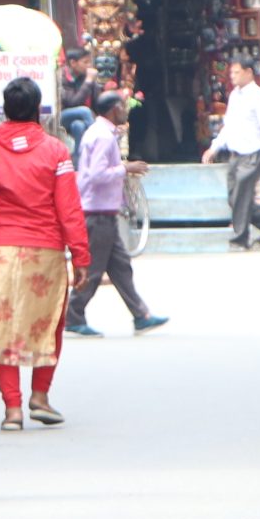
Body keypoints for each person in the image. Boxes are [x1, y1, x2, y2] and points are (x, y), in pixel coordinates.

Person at [0, 78, 89, 431]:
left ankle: (12, 409)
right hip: (45, 248)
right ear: (38, 109)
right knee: (47, 322)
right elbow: (69, 208)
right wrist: (81, 255)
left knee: (0, 326)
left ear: (4, 109)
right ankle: (40, 395)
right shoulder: (56, 151)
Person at [66, 92, 167, 339]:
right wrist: (125, 168)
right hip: (97, 212)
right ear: (113, 110)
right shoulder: (102, 136)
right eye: (122, 105)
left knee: (121, 267)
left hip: (103, 212)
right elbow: (97, 174)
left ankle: (141, 315)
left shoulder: (100, 133)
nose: (125, 109)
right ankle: (73, 315)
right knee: (93, 269)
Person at [204, 57, 260, 251]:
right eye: (231, 73)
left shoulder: (259, 97)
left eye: (236, 72)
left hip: (252, 154)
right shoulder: (234, 96)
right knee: (235, 198)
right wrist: (214, 147)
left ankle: (240, 239)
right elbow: (228, 126)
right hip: (235, 154)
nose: (232, 76)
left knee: (241, 196)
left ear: (248, 72)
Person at [56, 47, 99, 152]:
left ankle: (78, 159)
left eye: (90, 62)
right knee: (84, 111)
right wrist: (88, 81)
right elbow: (73, 102)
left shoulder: (85, 76)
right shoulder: (62, 77)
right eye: (85, 62)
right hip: (61, 116)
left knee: (78, 126)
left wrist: (93, 83)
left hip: (81, 118)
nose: (89, 65)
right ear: (73, 63)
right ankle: (99, 142)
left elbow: (96, 102)